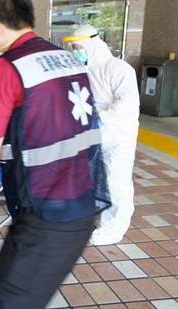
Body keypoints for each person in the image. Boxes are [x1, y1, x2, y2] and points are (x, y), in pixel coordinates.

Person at [0, 0, 110, 309]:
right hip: (82, 195)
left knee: (6, 300)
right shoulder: (67, 59)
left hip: (48, 207)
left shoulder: (7, 68)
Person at [65, 23, 139, 246]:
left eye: (78, 47)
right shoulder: (82, 70)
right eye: (74, 48)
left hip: (118, 136)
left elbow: (127, 104)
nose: (76, 51)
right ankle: (92, 215)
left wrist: (100, 118)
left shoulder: (119, 69)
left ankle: (114, 228)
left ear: (92, 45)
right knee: (90, 177)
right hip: (91, 133)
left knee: (116, 181)